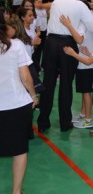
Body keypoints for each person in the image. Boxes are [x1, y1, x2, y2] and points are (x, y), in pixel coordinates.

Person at [37, 0, 93, 133]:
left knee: (48, 82)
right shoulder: (80, 5)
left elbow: (45, 8)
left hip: (51, 43)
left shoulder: (57, 2)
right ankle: (65, 122)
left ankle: (43, 122)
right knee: (66, 84)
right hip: (67, 43)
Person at [0, 10, 38, 194]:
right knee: (19, 150)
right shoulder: (16, 45)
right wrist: (33, 95)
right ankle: (16, 191)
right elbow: (25, 76)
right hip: (16, 104)